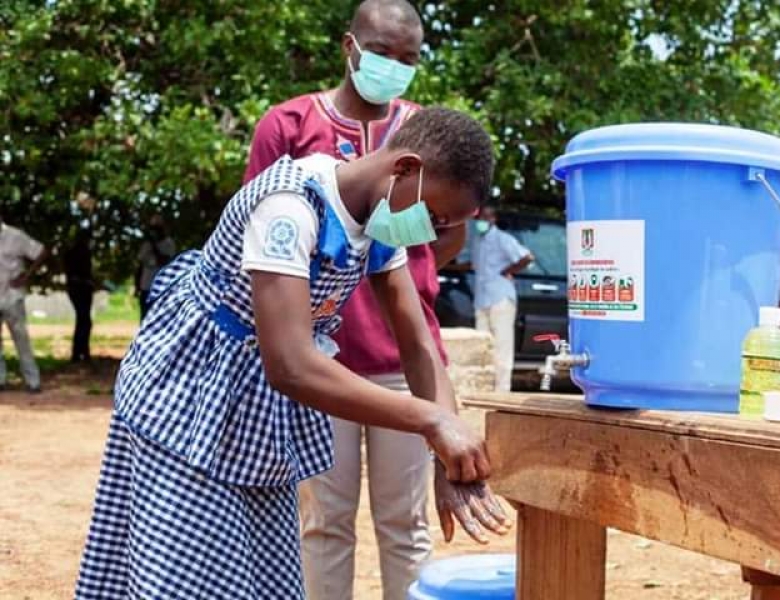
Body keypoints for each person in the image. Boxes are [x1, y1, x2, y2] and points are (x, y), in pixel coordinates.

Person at [74, 107, 510, 600]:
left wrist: (445, 454)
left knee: (262, 579)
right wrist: (432, 422)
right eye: (431, 215)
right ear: (405, 168)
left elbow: (417, 345)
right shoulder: (290, 206)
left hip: (259, 425)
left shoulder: (379, 226)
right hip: (189, 405)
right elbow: (291, 366)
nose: (430, 232)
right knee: (189, 579)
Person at [243, 3, 467, 598]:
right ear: (350, 47)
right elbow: (263, 252)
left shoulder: (428, 136)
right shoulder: (288, 128)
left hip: (404, 356)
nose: (395, 66)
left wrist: (400, 272)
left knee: (407, 523)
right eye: (383, 52)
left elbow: (453, 232)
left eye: (410, 58)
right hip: (323, 365)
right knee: (323, 523)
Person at [471, 206, 533, 392]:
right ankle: (485, 388)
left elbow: (527, 257)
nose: (482, 220)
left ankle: (502, 391)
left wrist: (508, 271)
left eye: (486, 217)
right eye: (480, 217)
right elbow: (474, 266)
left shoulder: (502, 239)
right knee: (483, 345)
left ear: (493, 219)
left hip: (500, 298)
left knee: (502, 346)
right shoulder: (478, 241)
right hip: (482, 299)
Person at [0, 215, 48, 393]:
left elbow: (41, 251)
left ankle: (32, 381)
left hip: (12, 296)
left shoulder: (15, 236)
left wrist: (27, 275)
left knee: (21, 339)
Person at [135, 214, 176, 319]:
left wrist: (154, 245)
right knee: (144, 318)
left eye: (157, 228)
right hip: (146, 287)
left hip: (161, 288)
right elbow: (140, 265)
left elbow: (164, 260)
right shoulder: (146, 244)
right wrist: (137, 285)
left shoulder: (168, 243)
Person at [64, 228, 95, 363]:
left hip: (78, 288)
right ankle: (79, 352)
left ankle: (81, 351)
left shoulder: (73, 252)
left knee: (83, 320)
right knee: (84, 320)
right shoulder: (80, 253)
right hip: (80, 289)